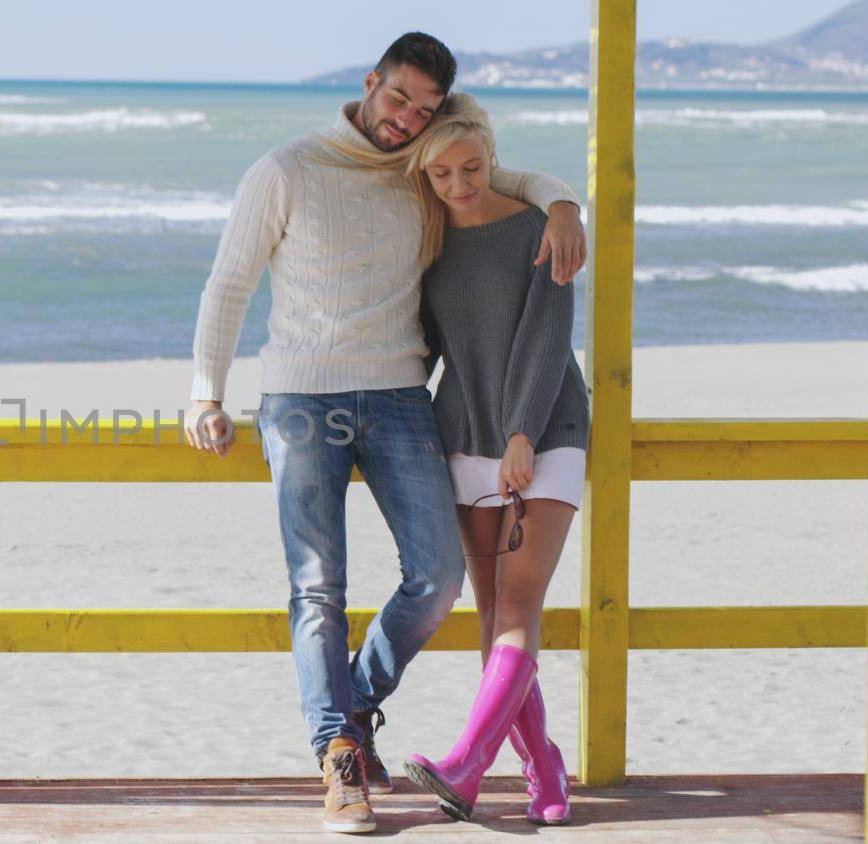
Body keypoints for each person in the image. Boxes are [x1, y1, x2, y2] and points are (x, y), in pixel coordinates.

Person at [183, 33, 586, 834]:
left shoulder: (421, 171)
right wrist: (206, 393)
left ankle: (356, 704)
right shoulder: (285, 169)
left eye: (425, 110)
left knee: (438, 578)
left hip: (403, 395)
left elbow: (503, 177)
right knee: (317, 586)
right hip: (301, 398)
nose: (407, 120)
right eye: (399, 99)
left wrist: (567, 203)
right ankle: (339, 751)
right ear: (370, 84)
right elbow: (229, 281)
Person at [399, 92, 590, 826]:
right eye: (441, 173)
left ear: (491, 155)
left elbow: (548, 334)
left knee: (517, 604)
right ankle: (541, 766)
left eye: (471, 167)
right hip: (461, 432)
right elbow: (421, 344)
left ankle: (464, 765)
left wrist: (520, 436)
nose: (458, 184)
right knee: (489, 616)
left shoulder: (539, 228)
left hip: (547, 428)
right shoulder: (428, 243)